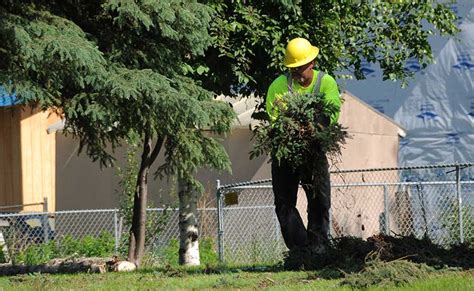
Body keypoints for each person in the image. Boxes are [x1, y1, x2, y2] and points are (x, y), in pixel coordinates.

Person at [265, 37, 341, 253]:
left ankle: (318, 249)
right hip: (286, 152)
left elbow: (332, 111)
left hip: (314, 151)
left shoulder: (325, 82)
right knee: (284, 204)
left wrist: (314, 126)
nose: (297, 73)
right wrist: (293, 130)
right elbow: (275, 118)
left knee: (319, 201)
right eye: (293, 69)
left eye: (300, 68)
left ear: (312, 63)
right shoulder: (279, 86)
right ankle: (300, 251)